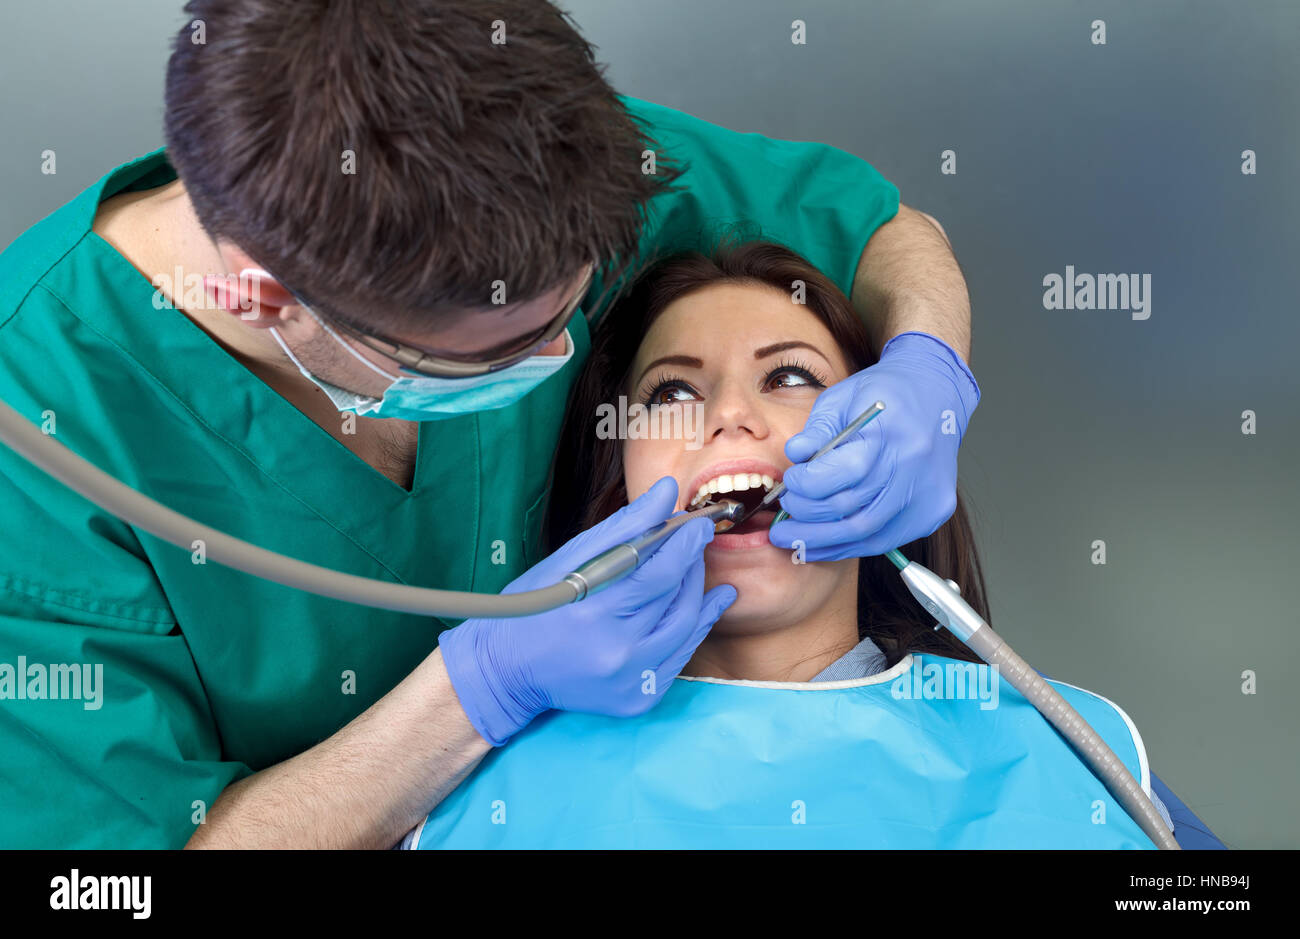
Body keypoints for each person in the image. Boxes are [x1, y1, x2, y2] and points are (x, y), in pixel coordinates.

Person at [0, 1, 979, 848]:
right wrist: (476, 694)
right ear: (265, 300)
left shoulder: (512, 157)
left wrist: (929, 366)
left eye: (575, 311)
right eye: (492, 356)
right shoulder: (39, 433)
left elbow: (882, 231)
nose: (563, 359)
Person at [405, 240, 1224, 849]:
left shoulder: (1071, 750)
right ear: (619, 471)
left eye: (790, 376)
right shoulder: (476, 789)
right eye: (674, 390)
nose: (730, 415)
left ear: (891, 446)